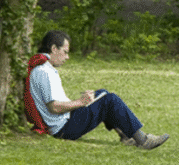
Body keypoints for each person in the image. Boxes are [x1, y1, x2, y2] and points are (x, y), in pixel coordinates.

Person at [25, 30, 170, 150]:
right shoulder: (44, 72)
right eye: (65, 52)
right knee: (110, 100)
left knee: (102, 94)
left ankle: (126, 136)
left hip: (64, 121)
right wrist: (81, 102)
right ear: (54, 49)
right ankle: (143, 140)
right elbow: (54, 107)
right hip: (63, 129)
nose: (67, 57)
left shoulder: (43, 68)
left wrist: (83, 102)